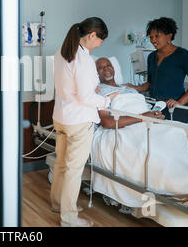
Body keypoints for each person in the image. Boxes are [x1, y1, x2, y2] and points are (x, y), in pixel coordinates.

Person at [51, 17, 119, 227]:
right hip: (79, 121)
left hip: (61, 118)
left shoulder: (61, 54)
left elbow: (73, 88)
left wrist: (93, 90)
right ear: (91, 36)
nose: (100, 44)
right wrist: (108, 99)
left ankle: (57, 203)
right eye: (100, 40)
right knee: (73, 170)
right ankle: (69, 219)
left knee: (61, 164)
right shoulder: (84, 60)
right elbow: (86, 98)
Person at [126, 17, 188, 123]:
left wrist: (180, 102)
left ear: (169, 36)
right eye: (151, 37)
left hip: (175, 108)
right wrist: (135, 88)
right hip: (155, 107)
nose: (153, 40)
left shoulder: (184, 56)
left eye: (157, 36)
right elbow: (150, 83)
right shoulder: (151, 57)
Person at [95, 57, 165, 128]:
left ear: (113, 68)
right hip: (132, 126)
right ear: (96, 72)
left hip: (149, 123)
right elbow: (106, 122)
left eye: (108, 65)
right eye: (101, 67)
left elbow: (145, 109)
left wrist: (155, 115)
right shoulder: (100, 91)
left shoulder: (129, 88)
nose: (106, 68)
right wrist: (143, 117)